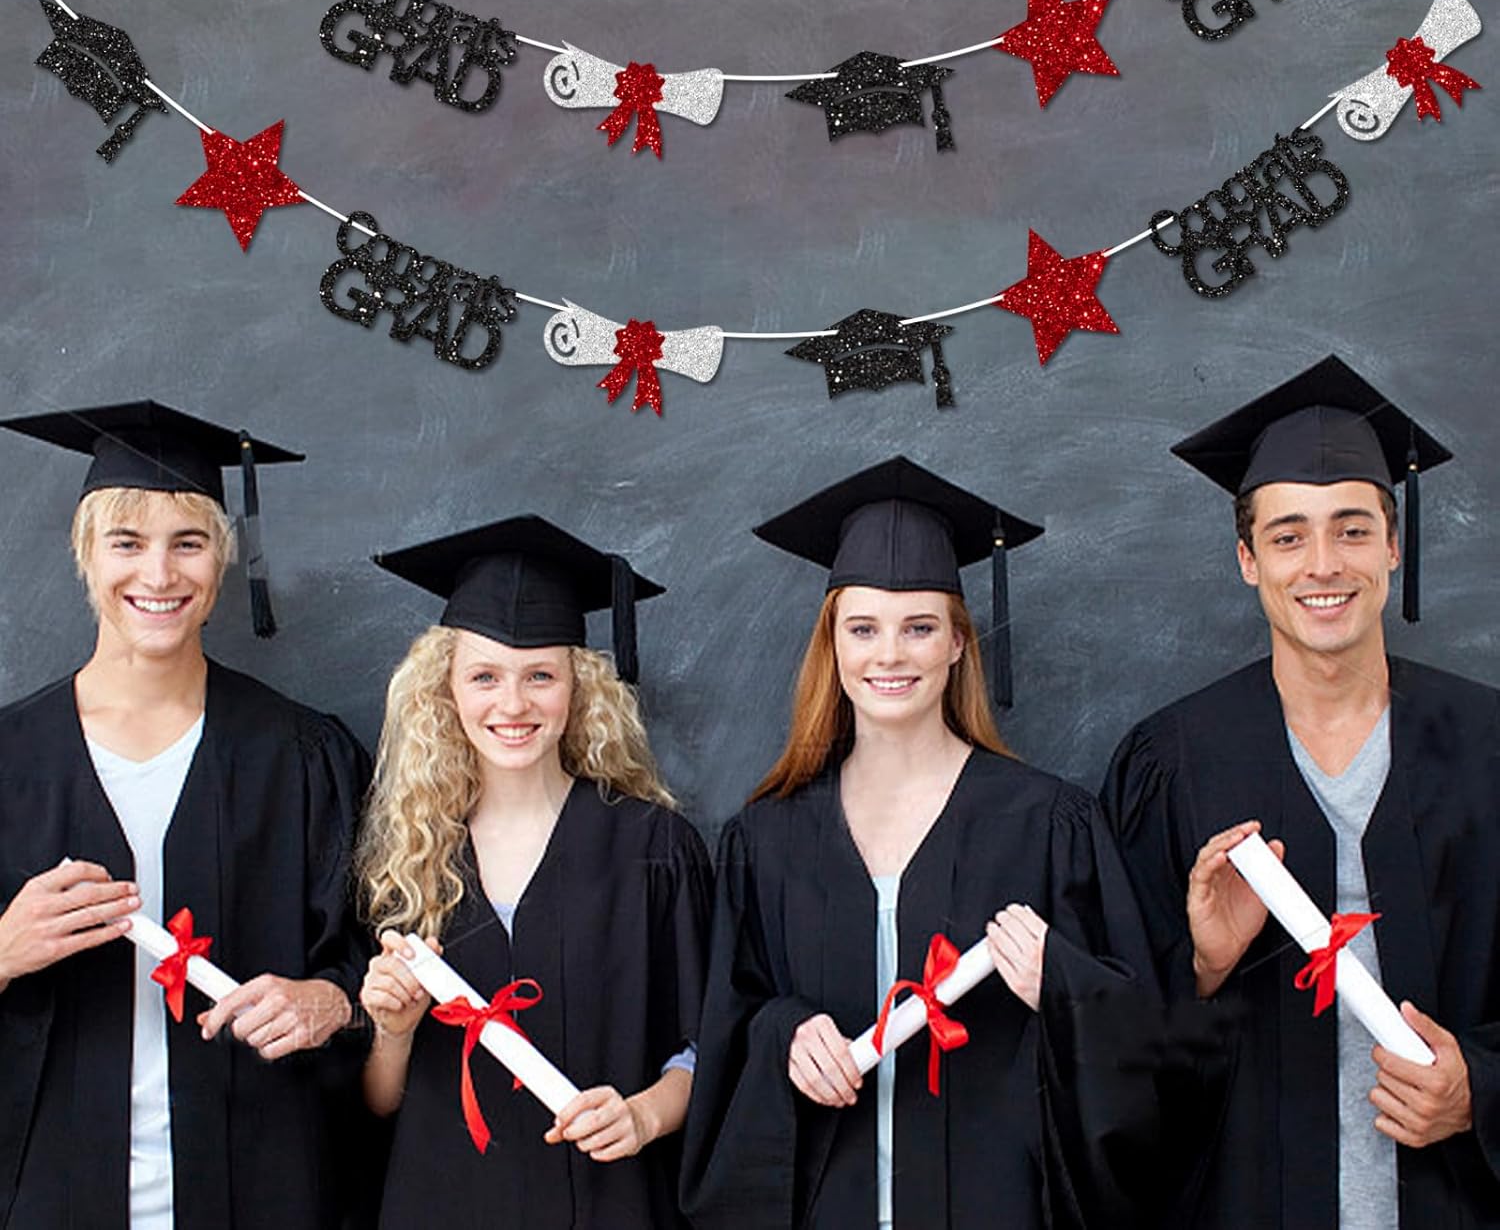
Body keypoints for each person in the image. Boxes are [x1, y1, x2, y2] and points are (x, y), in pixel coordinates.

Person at [680, 456, 1160, 1230]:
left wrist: (1063, 987)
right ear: (832, 646)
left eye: (920, 628)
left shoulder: (1048, 823)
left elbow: (1144, 1041)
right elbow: (728, 1023)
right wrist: (785, 1034)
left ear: (959, 644)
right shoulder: (766, 839)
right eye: (863, 628)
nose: (891, 655)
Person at [1101, 354, 1500, 1228]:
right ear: (1248, 559)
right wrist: (1201, 967)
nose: (1324, 564)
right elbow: (1104, 1043)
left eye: (1352, 529)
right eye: (1288, 536)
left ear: (1393, 545)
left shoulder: (1489, 747)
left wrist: (1485, 1088)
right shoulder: (1171, 763)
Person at [0, 400, 372, 1230]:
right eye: (128, 543)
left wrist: (333, 1002)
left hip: (265, 1183)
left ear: (222, 561)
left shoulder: (302, 754)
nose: (159, 576)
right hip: (43, 1194)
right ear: (85, 554)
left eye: (189, 543)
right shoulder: (9, 760)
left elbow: (378, 959)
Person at [356, 514, 712, 1229]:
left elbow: (709, 1045)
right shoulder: (408, 861)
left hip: (615, 1203)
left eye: (539, 676)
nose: (512, 704)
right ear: (446, 691)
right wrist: (393, 1031)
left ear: (578, 690)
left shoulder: (653, 849)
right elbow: (377, 1104)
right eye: (484, 676)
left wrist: (643, 1115)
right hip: (444, 1207)